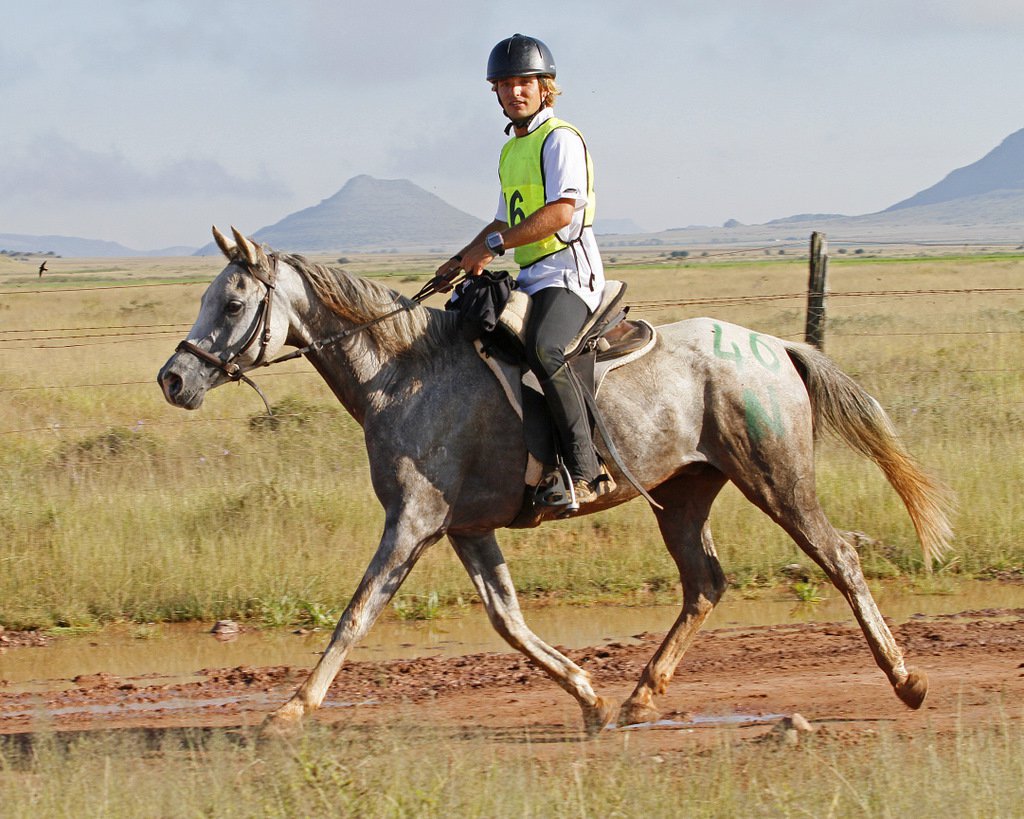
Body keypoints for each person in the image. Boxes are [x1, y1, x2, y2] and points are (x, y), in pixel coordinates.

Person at [436, 33, 609, 507]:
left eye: (525, 82)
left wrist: (493, 245)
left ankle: (584, 470)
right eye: (506, 83)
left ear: (545, 86)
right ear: (495, 91)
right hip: (533, 275)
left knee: (544, 347)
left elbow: (562, 213)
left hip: (570, 273)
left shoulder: (561, 140)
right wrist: (462, 257)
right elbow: (503, 218)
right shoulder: (511, 149)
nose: (516, 91)